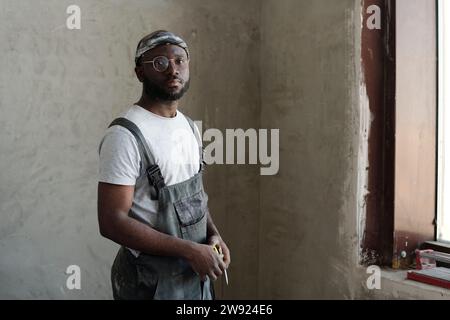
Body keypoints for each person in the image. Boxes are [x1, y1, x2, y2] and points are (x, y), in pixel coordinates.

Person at [97, 30, 230, 300]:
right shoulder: (125, 135)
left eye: (180, 61)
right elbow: (111, 222)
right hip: (149, 283)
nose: (173, 70)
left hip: (194, 276)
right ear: (139, 72)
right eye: (160, 63)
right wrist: (190, 250)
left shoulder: (189, 127)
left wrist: (213, 235)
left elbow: (194, 198)